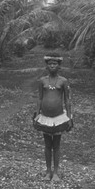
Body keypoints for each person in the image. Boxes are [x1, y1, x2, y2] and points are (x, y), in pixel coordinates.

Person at [34, 53, 73, 181]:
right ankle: (47, 171)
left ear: (59, 66)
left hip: (59, 118)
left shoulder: (63, 81)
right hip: (45, 117)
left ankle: (56, 172)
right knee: (47, 145)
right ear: (46, 66)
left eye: (54, 64)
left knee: (56, 145)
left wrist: (69, 116)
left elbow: (67, 99)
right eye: (50, 64)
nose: (52, 66)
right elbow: (39, 98)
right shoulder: (42, 81)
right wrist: (36, 114)